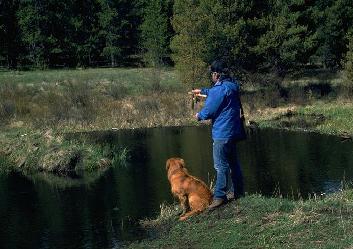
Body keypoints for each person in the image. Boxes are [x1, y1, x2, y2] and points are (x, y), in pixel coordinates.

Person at [192, 60, 245, 210]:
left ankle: (220, 197)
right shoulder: (232, 86)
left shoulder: (219, 90)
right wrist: (201, 91)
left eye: (212, 74)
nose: (212, 77)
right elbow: (216, 92)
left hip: (222, 133)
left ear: (217, 74)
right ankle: (238, 191)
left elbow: (209, 111)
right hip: (233, 132)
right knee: (234, 163)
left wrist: (199, 115)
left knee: (220, 165)